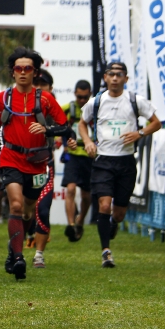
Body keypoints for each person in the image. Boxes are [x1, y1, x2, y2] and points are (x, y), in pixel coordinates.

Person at [0, 47, 70, 279]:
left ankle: (14, 247)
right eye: (18, 68)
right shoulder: (2, 98)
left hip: (37, 161)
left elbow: (64, 126)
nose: (22, 72)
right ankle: (18, 258)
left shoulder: (46, 99)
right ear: (13, 72)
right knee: (16, 206)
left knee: (28, 211)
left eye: (27, 68)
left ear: (35, 72)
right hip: (10, 158)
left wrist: (47, 129)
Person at [79, 62, 161, 268]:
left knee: (119, 213)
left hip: (126, 161)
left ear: (126, 78)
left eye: (119, 74)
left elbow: (156, 123)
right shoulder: (96, 101)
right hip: (103, 160)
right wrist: (88, 142)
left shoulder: (135, 100)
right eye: (111, 74)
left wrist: (139, 133)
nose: (115, 78)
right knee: (104, 205)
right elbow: (82, 123)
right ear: (105, 77)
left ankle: (114, 223)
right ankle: (106, 252)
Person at [61, 80, 94, 242]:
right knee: (71, 189)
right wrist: (61, 141)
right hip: (73, 155)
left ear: (90, 95)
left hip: (89, 156)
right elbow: (56, 123)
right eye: (79, 97)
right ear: (75, 94)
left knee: (86, 196)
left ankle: (80, 221)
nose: (82, 100)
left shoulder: (95, 109)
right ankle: (71, 224)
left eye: (85, 97)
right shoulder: (67, 109)